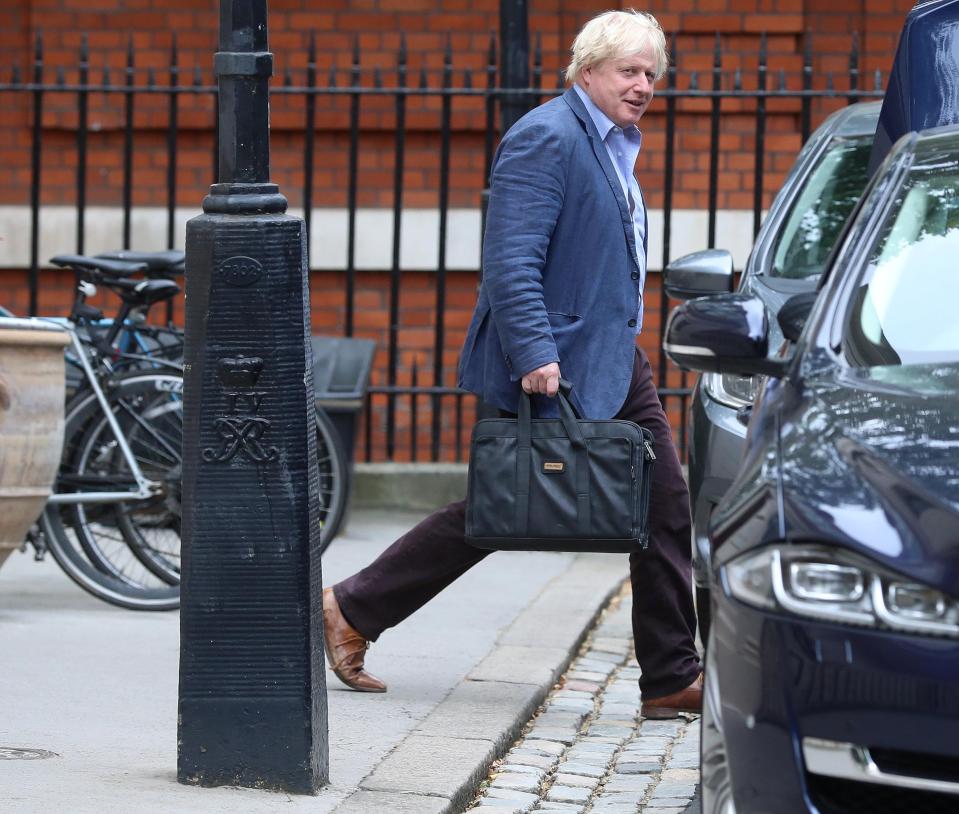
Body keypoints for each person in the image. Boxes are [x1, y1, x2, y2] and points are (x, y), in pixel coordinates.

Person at [323, 9, 703, 718]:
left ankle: (668, 677)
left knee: (662, 504)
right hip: (554, 357)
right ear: (586, 70)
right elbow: (509, 258)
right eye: (629, 70)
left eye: (651, 73)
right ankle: (350, 605)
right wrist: (534, 352)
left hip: (609, 356)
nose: (644, 84)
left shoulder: (609, 143)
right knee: (503, 507)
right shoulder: (546, 136)